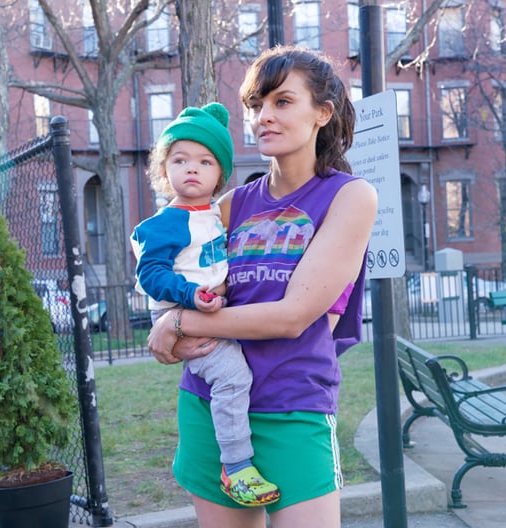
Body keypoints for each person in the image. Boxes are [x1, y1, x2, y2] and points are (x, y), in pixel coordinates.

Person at [146, 45, 377, 528]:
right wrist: (166, 322)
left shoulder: (349, 197)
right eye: (256, 105)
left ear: (323, 112)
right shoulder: (227, 207)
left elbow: (292, 318)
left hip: (293, 407)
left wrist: (179, 321)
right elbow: (169, 273)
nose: (263, 117)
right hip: (211, 407)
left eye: (282, 102)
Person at [130, 102, 279, 507]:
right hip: (180, 313)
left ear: (219, 175)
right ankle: (237, 468)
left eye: (205, 161)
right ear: (165, 171)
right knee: (232, 376)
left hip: (209, 309)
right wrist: (188, 296)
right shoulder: (162, 224)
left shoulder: (216, 214)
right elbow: (151, 274)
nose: (192, 168)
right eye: (180, 160)